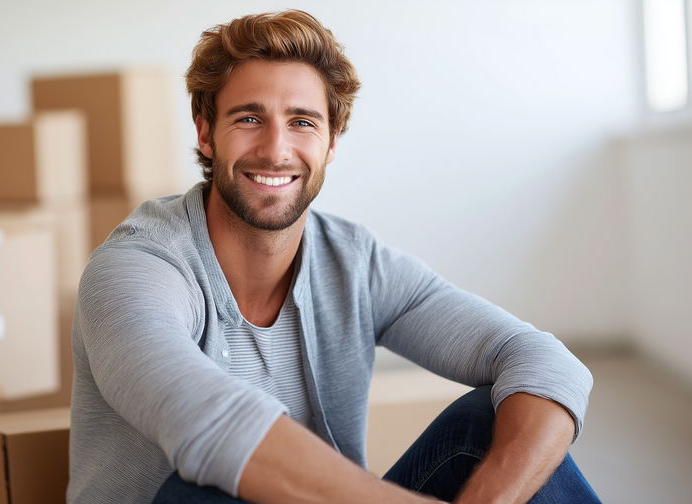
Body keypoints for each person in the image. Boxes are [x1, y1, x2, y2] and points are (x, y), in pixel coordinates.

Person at [68, 9, 600, 504]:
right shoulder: (134, 268)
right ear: (206, 133)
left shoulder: (355, 263)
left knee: (493, 423)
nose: (276, 149)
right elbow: (209, 423)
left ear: (332, 141)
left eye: (302, 121)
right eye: (249, 119)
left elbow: (545, 362)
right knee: (201, 490)